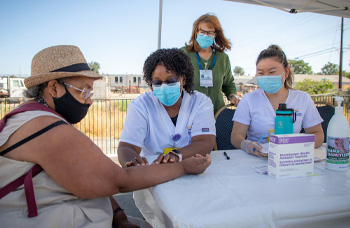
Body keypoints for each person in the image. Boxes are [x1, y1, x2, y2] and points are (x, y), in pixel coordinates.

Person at [0, 45, 212, 228]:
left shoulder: (32, 116)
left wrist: (118, 215)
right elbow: (118, 180)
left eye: (91, 92)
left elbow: (91, 176)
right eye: (83, 91)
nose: (89, 101)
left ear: (183, 80)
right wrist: (182, 166)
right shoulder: (45, 128)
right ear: (54, 88)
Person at [117, 48, 216, 167]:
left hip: (190, 167)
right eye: (157, 83)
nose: (164, 87)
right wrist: (132, 163)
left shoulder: (201, 103)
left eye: (171, 81)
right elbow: (127, 146)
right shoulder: (141, 106)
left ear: (183, 79)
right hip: (153, 170)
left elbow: (205, 142)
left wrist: (176, 155)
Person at [231, 45, 324, 157]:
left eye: (272, 72)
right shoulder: (249, 99)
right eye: (261, 73)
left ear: (286, 72)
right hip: (257, 159)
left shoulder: (302, 98)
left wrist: (297, 146)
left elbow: (318, 134)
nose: (266, 77)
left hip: (292, 158)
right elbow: (236, 136)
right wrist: (248, 145)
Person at [181, 13, 239, 114]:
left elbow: (228, 83)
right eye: (202, 32)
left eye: (209, 33)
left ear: (215, 34)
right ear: (196, 32)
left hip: (216, 114)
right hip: (190, 114)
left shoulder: (223, 58)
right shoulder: (184, 54)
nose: (205, 35)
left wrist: (232, 96)